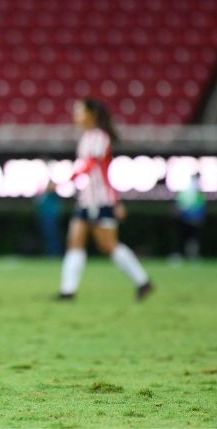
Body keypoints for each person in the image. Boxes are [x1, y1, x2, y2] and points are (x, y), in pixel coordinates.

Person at [58, 98, 153, 301]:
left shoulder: (99, 137)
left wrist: (65, 180)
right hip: (87, 200)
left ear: (91, 114)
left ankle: (143, 281)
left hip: (99, 200)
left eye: (80, 111)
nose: (76, 115)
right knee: (75, 241)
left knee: (108, 245)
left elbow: (93, 165)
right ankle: (67, 291)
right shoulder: (87, 137)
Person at [171, 172, 206, 262]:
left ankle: (193, 256)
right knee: (182, 239)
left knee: (193, 240)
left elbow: (201, 208)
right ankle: (179, 256)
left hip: (195, 221)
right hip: (184, 221)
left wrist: (199, 218)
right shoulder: (185, 192)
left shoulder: (199, 194)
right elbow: (179, 206)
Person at [36, 180, 64, 256]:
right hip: (44, 216)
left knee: (53, 236)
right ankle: (49, 253)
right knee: (47, 236)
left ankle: (55, 254)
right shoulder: (43, 194)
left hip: (51, 216)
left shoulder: (53, 194)